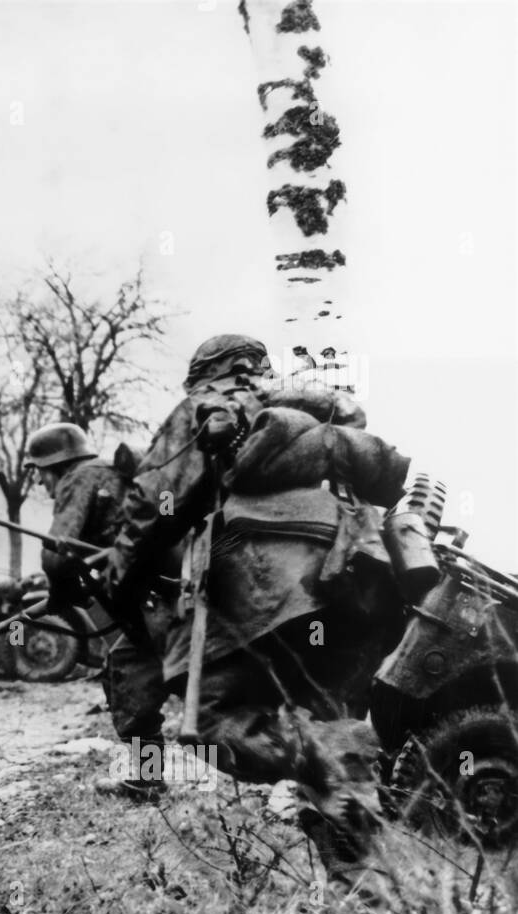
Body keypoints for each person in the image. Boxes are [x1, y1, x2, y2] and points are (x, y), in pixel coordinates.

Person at [105, 334, 408, 882]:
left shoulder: (209, 407)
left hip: (273, 593)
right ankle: (357, 884)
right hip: (354, 580)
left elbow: (155, 502)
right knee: (318, 714)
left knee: (212, 724)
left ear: (206, 373)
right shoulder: (306, 416)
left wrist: (120, 573)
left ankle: (341, 765)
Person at [25, 423, 174, 800]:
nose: (43, 486)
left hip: (149, 598)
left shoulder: (79, 479)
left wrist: (60, 594)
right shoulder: (115, 474)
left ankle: (148, 779)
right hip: (165, 590)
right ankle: (148, 777)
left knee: (127, 673)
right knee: (126, 668)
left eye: (41, 475)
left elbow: (55, 554)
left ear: (53, 467)